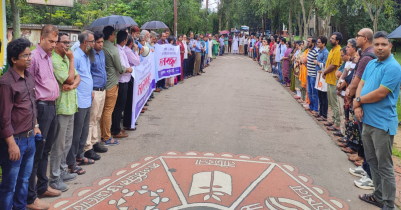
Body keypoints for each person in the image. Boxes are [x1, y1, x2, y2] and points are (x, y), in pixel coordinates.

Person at [355, 31, 401, 210]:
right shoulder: (372, 63)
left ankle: (389, 205)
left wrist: (358, 100)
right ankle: (378, 196)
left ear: (390, 46)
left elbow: (381, 93)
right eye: (377, 45)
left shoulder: (394, 67)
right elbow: (361, 84)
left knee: (385, 166)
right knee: (372, 162)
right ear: (373, 46)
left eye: (384, 44)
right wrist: (358, 106)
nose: (380, 47)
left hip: (382, 124)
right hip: (367, 120)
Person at [0, 38, 41, 210]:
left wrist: (36, 126)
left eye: (30, 54)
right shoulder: (6, 83)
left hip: (30, 138)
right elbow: (4, 117)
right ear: (14, 59)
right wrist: (11, 144)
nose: (30, 58)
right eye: (25, 55)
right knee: (9, 186)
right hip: (15, 141)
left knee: (24, 181)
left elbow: (32, 105)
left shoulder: (29, 77)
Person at [26, 25, 61, 210]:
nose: (53, 45)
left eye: (56, 42)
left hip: (51, 106)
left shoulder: (48, 57)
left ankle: (42, 186)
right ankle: (30, 198)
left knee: (46, 149)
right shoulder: (33, 58)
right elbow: (30, 91)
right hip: (41, 108)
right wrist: (36, 121)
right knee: (36, 153)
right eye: (51, 41)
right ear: (42, 38)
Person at [49, 32, 81, 192]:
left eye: (69, 42)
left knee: (67, 142)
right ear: (57, 44)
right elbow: (68, 79)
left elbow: (77, 77)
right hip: (61, 107)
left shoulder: (67, 59)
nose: (68, 45)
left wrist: (73, 85)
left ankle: (62, 171)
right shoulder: (55, 60)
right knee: (59, 145)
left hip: (71, 106)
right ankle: (54, 178)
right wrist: (73, 61)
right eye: (65, 42)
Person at [67, 30, 95, 178]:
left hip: (87, 98)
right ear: (85, 43)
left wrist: (90, 91)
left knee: (84, 131)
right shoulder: (76, 56)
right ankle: (71, 163)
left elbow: (86, 75)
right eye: (92, 41)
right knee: (75, 134)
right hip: (79, 100)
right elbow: (73, 77)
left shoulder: (86, 56)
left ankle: (79, 155)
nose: (94, 44)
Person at [100, 26, 126, 146]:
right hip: (111, 82)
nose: (115, 37)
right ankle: (106, 136)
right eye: (114, 34)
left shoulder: (101, 47)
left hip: (102, 82)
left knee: (102, 111)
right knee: (108, 111)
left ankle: (102, 134)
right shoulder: (112, 49)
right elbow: (120, 68)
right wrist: (128, 69)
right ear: (110, 35)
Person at [85, 32, 108, 162]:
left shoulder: (102, 53)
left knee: (97, 118)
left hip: (102, 89)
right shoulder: (90, 55)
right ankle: (88, 147)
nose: (100, 44)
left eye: (101, 42)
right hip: (94, 90)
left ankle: (95, 142)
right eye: (97, 42)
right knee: (91, 119)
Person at [110, 30, 133, 139]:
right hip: (122, 80)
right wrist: (129, 69)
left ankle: (116, 127)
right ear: (124, 40)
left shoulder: (121, 49)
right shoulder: (118, 51)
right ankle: (116, 129)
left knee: (120, 106)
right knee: (119, 107)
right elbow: (122, 68)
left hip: (124, 80)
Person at [323, 32, 343, 132]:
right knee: (331, 101)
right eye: (331, 38)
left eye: (332, 38)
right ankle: (334, 120)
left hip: (334, 80)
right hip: (330, 79)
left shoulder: (338, 50)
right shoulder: (332, 50)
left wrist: (324, 72)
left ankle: (337, 123)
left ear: (337, 41)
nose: (330, 39)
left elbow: (334, 65)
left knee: (334, 102)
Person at [122, 35, 141, 132]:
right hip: (128, 77)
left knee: (127, 102)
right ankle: (128, 123)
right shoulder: (128, 51)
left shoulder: (124, 50)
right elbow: (137, 62)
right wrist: (137, 52)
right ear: (130, 43)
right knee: (129, 101)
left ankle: (128, 121)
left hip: (126, 77)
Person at [314, 36, 330, 122]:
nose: (318, 44)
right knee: (319, 94)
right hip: (318, 75)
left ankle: (324, 114)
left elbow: (325, 65)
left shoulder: (325, 53)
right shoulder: (319, 52)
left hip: (323, 75)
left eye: (319, 42)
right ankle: (320, 112)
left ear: (323, 43)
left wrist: (317, 63)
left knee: (323, 95)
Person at [306, 37, 319, 114]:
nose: (307, 43)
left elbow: (317, 62)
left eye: (309, 41)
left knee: (314, 92)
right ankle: (311, 106)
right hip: (309, 73)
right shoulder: (309, 51)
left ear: (313, 43)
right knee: (309, 91)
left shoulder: (316, 51)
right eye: (307, 41)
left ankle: (315, 108)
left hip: (313, 74)